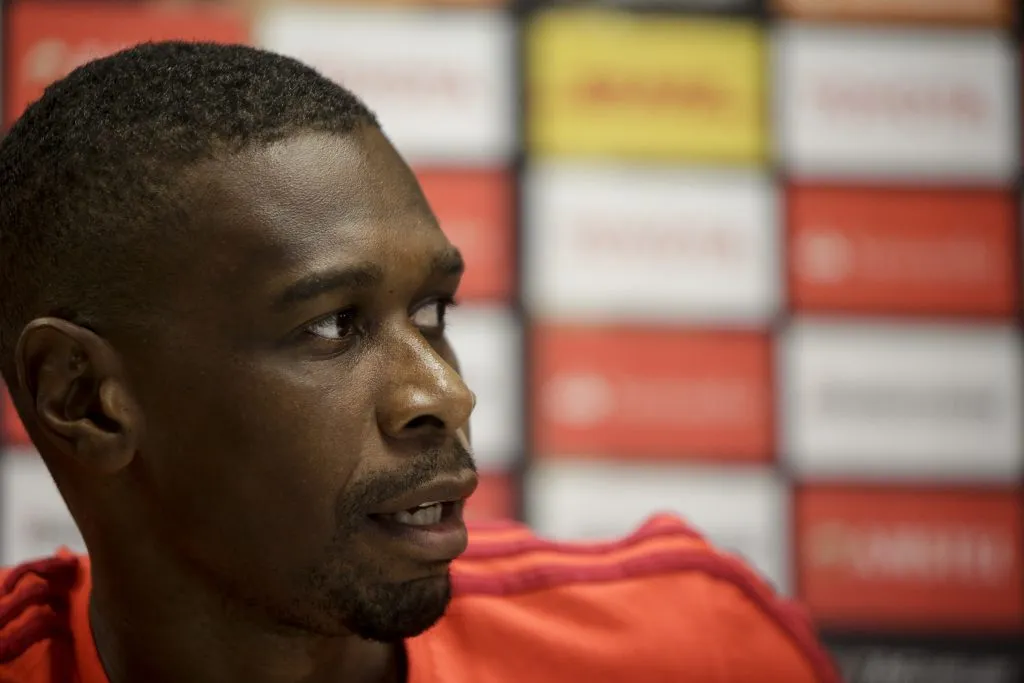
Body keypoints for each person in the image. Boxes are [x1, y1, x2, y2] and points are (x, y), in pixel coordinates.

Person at [0, 41, 838, 683]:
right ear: (85, 398)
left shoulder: (696, 647)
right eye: (331, 325)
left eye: (432, 312)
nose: (446, 393)